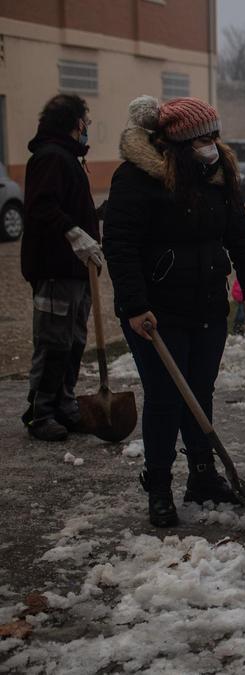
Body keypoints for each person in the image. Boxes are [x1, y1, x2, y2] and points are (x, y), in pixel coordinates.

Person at [103, 95, 245, 527]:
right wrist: (135, 307)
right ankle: (157, 485)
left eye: (216, 134)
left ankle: (202, 475)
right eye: (205, 137)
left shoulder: (217, 174)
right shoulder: (137, 179)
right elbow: (120, 247)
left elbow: (241, 232)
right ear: (179, 142)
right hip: (158, 311)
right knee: (165, 400)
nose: (214, 143)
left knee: (200, 392)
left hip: (207, 302)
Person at [19, 94, 103, 442]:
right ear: (74, 123)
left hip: (77, 270)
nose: (86, 128)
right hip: (55, 268)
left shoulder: (68, 157)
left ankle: (65, 405)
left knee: (73, 342)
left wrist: (95, 219)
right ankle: (40, 413)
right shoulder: (51, 157)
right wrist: (74, 234)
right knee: (54, 342)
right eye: (85, 121)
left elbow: (70, 207)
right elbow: (42, 206)